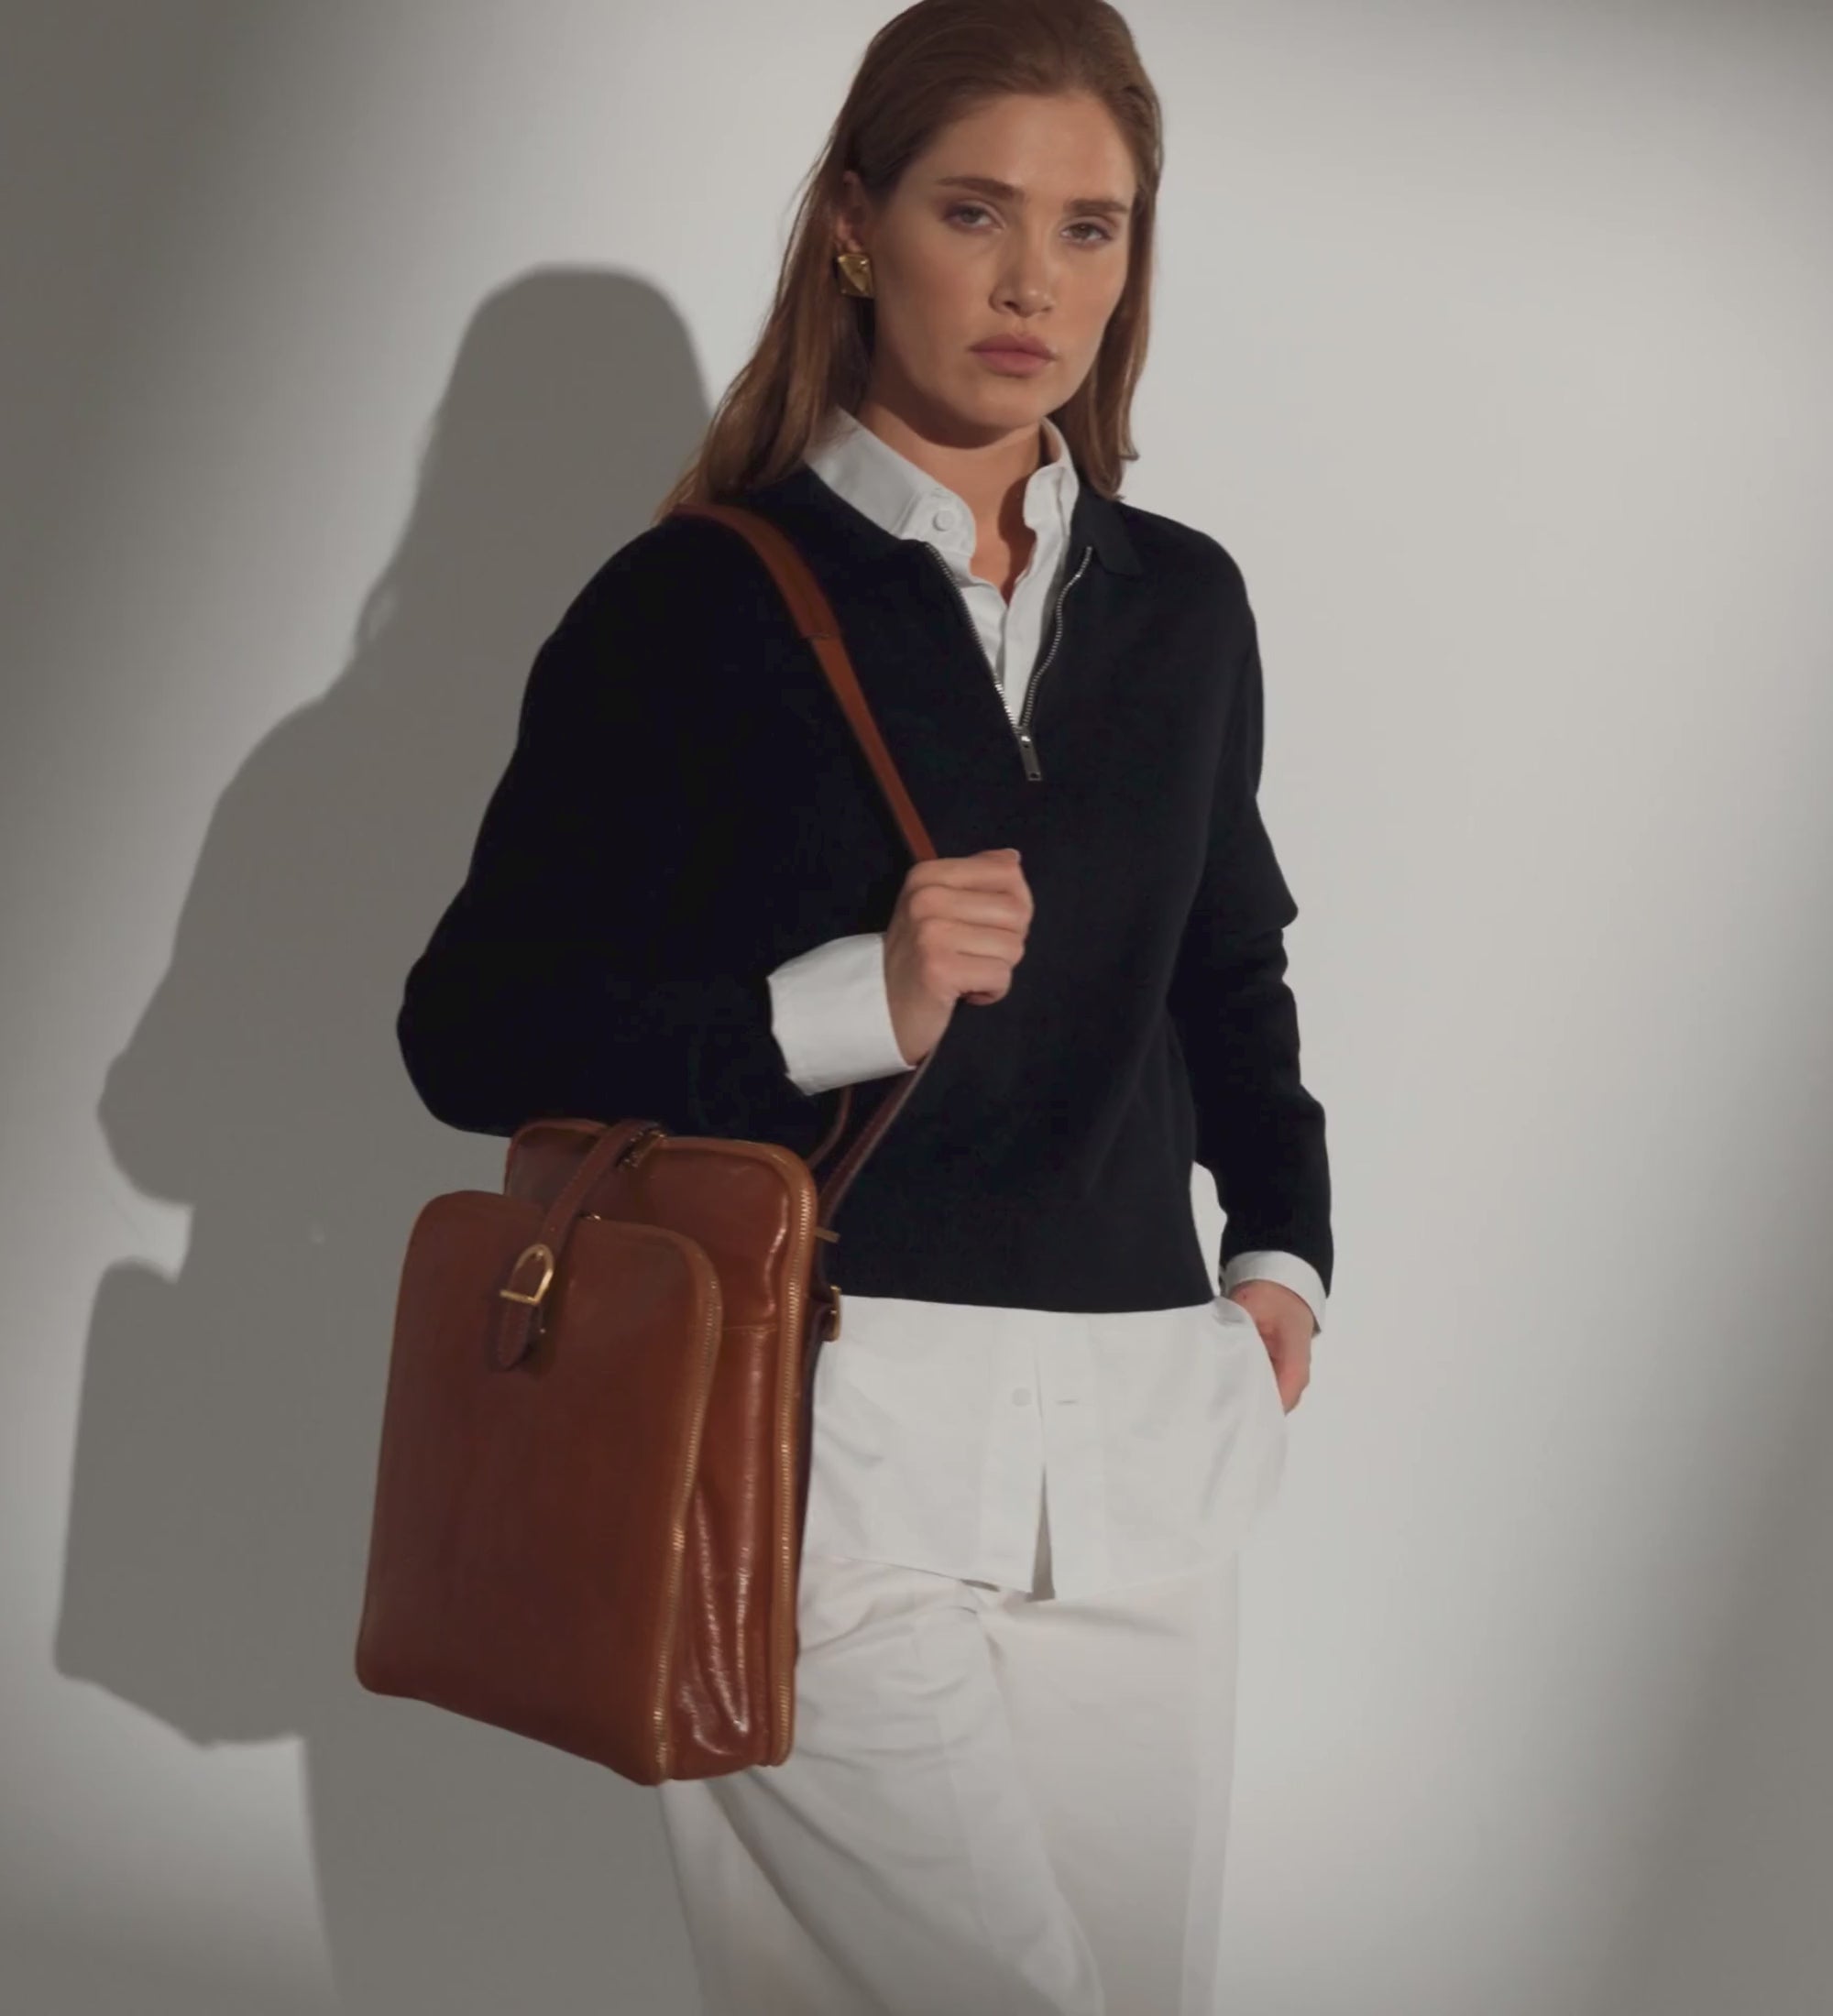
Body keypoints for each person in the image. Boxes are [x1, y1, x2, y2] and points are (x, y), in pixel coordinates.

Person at [395, 1, 1333, 2009]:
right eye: (974, 212)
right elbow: (468, 1028)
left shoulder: (1183, 606)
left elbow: (1227, 961)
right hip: (814, 1436)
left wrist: (1282, 1258)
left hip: (1141, 1456)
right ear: (852, 225)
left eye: (1089, 228)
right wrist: (843, 1007)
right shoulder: (692, 606)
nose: (1032, 282)